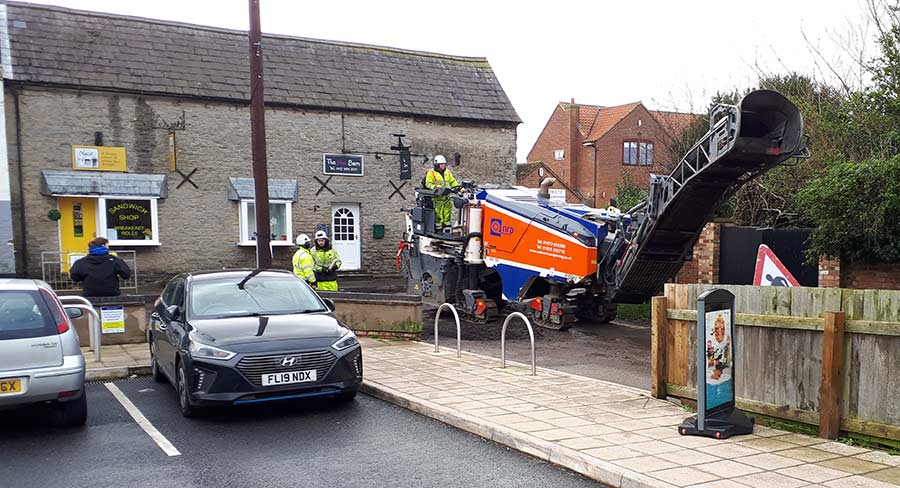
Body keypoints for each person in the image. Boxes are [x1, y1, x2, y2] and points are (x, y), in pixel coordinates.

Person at [424, 154, 459, 230]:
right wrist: (436, 188)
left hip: (447, 196)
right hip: (438, 197)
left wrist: (459, 188)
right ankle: (438, 226)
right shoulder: (431, 173)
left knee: (447, 211)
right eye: (441, 164)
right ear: (437, 165)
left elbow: (452, 181)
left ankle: (447, 225)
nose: (443, 166)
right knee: (438, 212)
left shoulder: (447, 172)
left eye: (444, 164)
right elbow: (428, 184)